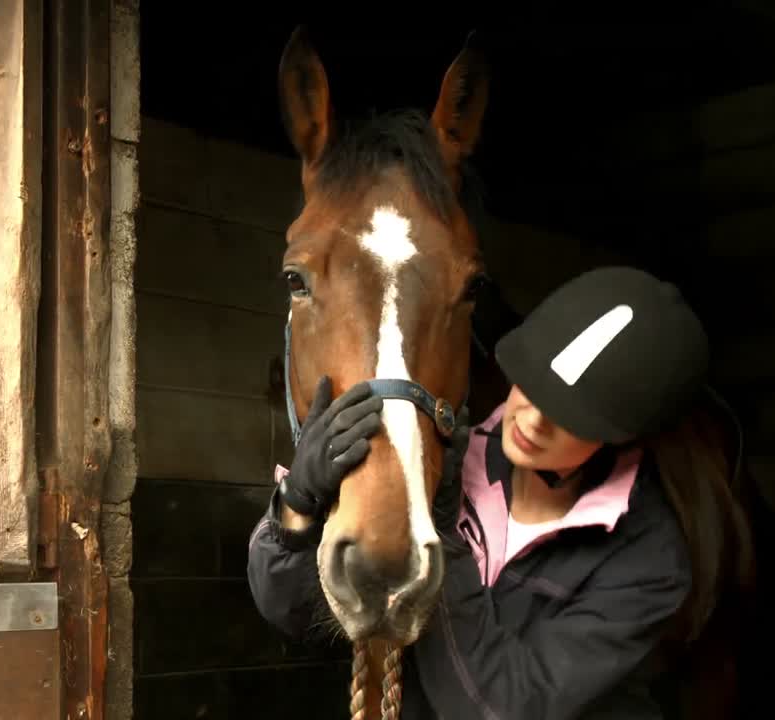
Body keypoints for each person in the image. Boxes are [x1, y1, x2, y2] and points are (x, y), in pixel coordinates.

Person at [247, 266, 742, 719]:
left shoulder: (647, 562)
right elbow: (292, 613)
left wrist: (442, 532)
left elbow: (499, 708)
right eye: (530, 384)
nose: (531, 418)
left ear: (623, 437)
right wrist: (298, 502)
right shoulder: (444, 458)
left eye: (570, 415)